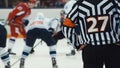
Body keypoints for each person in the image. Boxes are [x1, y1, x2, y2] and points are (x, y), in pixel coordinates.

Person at [62, 0, 120, 68]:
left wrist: (77, 44)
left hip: (90, 49)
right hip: (113, 47)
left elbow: (66, 25)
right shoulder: (113, 2)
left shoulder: (80, 4)